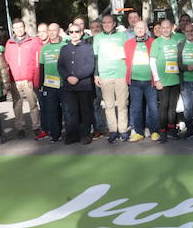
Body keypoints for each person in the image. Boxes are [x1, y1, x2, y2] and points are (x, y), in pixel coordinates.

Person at [92, 13, 129, 143]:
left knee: (122, 104)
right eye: (105, 22)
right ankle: (113, 130)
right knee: (108, 105)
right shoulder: (98, 38)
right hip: (105, 75)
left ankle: (123, 130)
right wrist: (96, 74)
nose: (107, 24)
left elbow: (127, 55)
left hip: (121, 74)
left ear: (114, 24)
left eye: (109, 22)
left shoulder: (122, 36)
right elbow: (95, 58)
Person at [3, 19, 43, 139]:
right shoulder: (9, 43)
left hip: (28, 79)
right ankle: (20, 127)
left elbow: (37, 61)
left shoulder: (33, 41)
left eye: (21, 27)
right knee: (17, 105)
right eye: (16, 27)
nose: (19, 29)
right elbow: (6, 62)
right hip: (15, 80)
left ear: (24, 27)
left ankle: (36, 126)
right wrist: (8, 79)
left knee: (33, 104)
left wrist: (35, 78)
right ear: (13, 29)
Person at [57, 23, 96, 144]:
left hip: (83, 84)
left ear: (82, 32)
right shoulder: (64, 48)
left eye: (77, 31)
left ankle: (85, 135)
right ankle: (72, 135)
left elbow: (90, 65)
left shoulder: (88, 47)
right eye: (71, 32)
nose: (74, 34)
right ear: (68, 33)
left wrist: (77, 77)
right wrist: (67, 77)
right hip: (68, 85)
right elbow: (60, 65)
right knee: (71, 111)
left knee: (85, 110)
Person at [124, 19, 160, 142]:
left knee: (153, 107)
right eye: (137, 28)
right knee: (136, 108)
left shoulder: (153, 42)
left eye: (142, 28)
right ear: (134, 29)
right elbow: (125, 61)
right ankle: (138, 132)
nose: (140, 30)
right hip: (134, 81)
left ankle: (154, 131)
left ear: (146, 30)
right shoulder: (128, 44)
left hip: (150, 81)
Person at [151, 18, 182, 141]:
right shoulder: (157, 42)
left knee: (172, 107)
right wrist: (157, 79)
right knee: (164, 106)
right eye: (162, 28)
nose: (165, 30)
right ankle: (162, 131)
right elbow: (152, 61)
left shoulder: (176, 40)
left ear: (172, 27)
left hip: (175, 79)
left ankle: (171, 129)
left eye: (167, 27)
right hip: (162, 81)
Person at [36, 22, 66, 142]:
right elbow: (42, 67)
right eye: (50, 30)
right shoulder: (44, 48)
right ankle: (55, 134)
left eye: (54, 30)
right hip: (49, 85)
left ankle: (71, 132)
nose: (52, 33)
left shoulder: (65, 46)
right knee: (53, 110)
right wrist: (41, 84)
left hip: (64, 84)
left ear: (59, 31)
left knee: (67, 110)